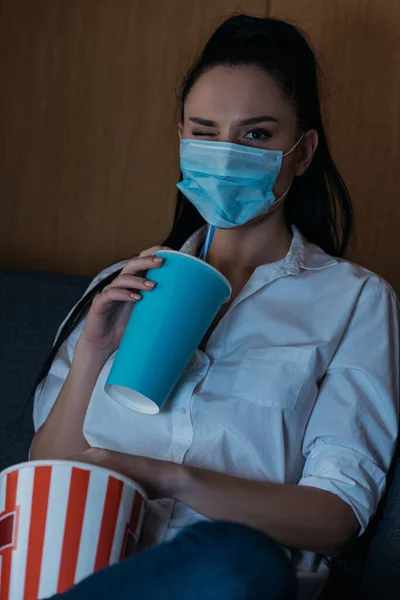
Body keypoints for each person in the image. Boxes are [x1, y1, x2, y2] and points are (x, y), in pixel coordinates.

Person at [30, 14, 399, 600]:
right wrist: (94, 351)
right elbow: (47, 477)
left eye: (256, 135)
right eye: (205, 132)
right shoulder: (120, 285)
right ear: (181, 138)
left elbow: (336, 517)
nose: (225, 155)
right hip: (88, 566)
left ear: (302, 153)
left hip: (225, 577)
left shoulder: (356, 301)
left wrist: (166, 478)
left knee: (235, 560)